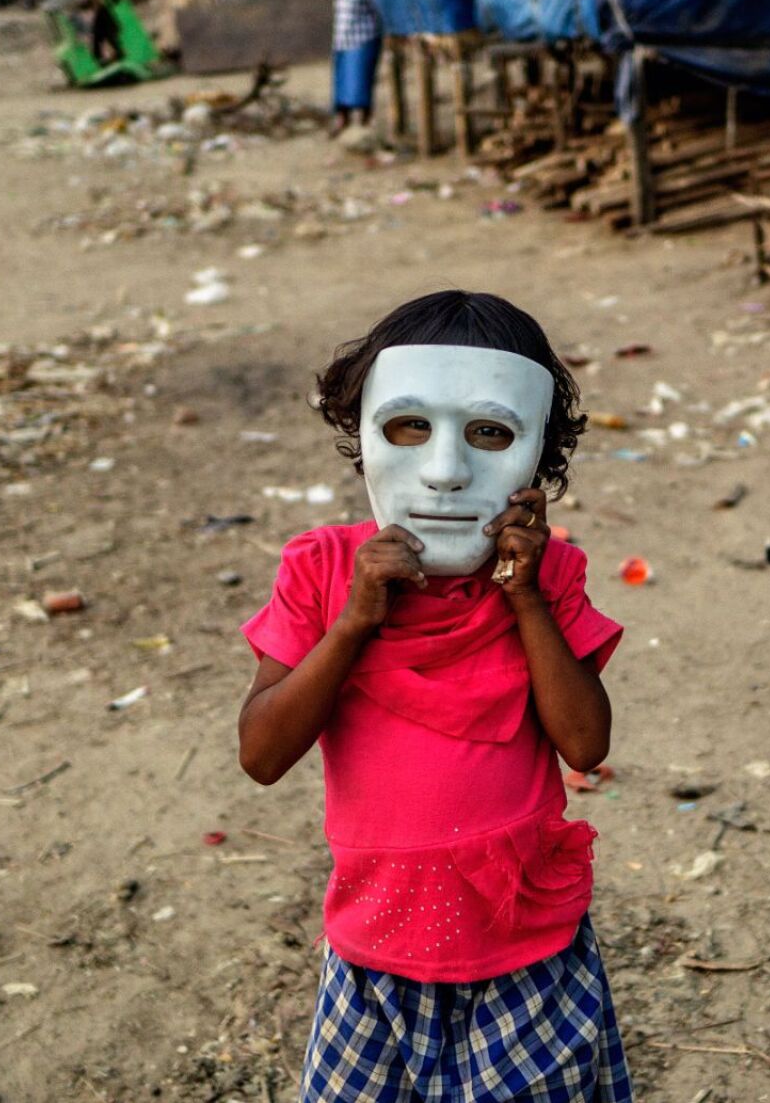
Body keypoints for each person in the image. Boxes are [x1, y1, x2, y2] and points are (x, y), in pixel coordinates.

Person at [239, 290, 633, 1101]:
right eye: (409, 426)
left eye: (490, 433)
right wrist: (351, 624)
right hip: (373, 946)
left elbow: (586, 744)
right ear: (364, 433)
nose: (447, 469)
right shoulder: (320, 570)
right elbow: (262, 752)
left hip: (525, 948)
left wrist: (524, 597)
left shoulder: (548, 576)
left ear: (535, 459)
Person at [330, 0, 382, 136]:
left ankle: (364, 120)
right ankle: (343, 119)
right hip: (342, 40)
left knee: (360, 80)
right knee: (342, 80)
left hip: (363, 39)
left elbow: (376, 10)